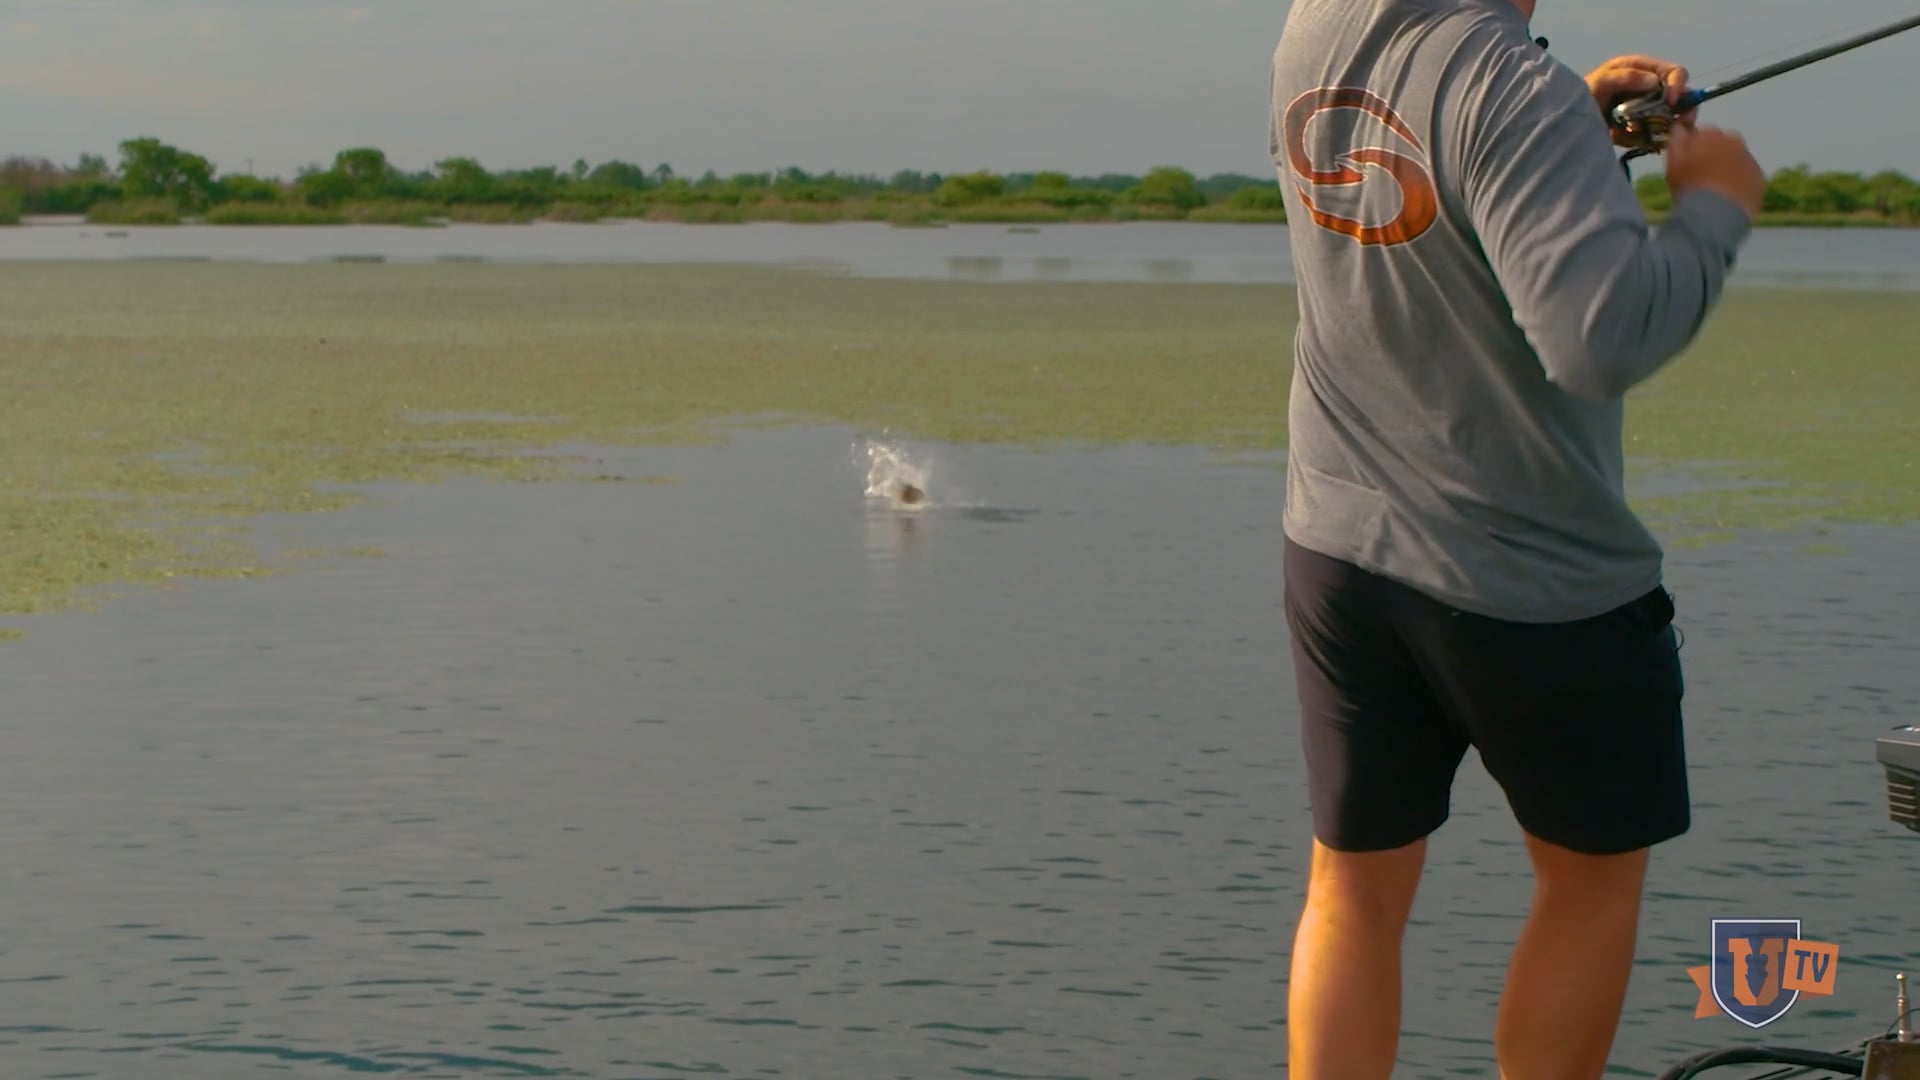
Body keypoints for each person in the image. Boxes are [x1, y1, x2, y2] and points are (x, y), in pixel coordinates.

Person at [1267, 0, 1769, 1077]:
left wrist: (1575, 132)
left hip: (1339, 559)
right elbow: (1600, 340)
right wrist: (1714, 211)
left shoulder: (1317, 25)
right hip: (1534, 580)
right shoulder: (1509, 87)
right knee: (1589, 883)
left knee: (1351, 888)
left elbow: (1416, 171)